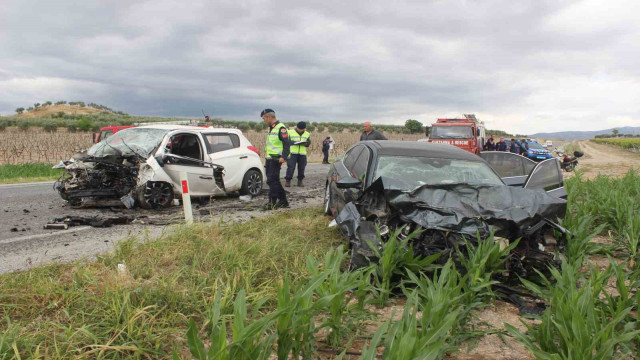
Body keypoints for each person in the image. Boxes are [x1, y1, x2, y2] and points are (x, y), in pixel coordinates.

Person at [261, 108, 290, 209]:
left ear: (269, 117)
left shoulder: (281, 128)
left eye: (264, 118)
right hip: (270, 157)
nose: (263, 120)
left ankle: (272, 202)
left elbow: (287, 143)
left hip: (276, 158)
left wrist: (284, 157)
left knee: (272, 180)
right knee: (273, 180)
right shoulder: (272, 128)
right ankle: (283, 201)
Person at [285, 122, 311, 187]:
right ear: (297, 127)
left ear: (304, 128)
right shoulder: (290, 132)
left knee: (302, 168)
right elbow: (286, 142)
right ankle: (288, 181)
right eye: (299, 129)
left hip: (302, 153)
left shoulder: (307, 134)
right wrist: (295, 143)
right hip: (292, 153)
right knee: (291, 167)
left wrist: (306, 144)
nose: (300, 130)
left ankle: (300, 181)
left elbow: (308, 142)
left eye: (302, 129)